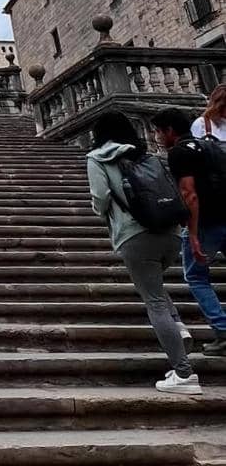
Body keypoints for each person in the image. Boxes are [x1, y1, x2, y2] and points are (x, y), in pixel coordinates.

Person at [88, 111, 199, 393]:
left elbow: (100, 198)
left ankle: (184, 374)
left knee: (153, 300)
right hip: (170, 234)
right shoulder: (147, 155)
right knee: (155, 287)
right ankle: (179, 327)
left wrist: (104, 213)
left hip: (136, 234)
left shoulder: (98, 158)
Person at [153, 106, 226, 357]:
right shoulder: (211, 146)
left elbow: (189, 194)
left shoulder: (179, 153)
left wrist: (193, 233)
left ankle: (222, 330)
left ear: (170, 131)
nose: (158, 138)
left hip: (207, 221)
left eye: (159, 132)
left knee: (196, 277)